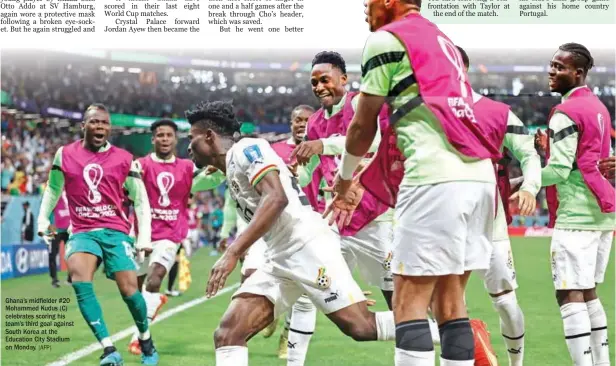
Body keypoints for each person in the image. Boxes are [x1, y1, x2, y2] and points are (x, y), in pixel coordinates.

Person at [331, 2, 502, 365]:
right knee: (450, 302)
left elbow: (362, 126)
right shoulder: (442, 40)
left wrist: (344, 179)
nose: (364, 5)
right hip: (479, 176)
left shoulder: (387, 39)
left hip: (434, 178)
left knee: (408, 301)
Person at [185, 100, 396, 366]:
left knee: (362, 327)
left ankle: (452, 329)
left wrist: (232, 252)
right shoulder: (231, 169)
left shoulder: (248, 148)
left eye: (190, 138)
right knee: (228, 333)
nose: (188, 146)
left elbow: (277, 199)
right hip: (278, 258)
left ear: (208, 136)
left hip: (306, 246)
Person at [37, 104, 159, 366]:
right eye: (94, 122)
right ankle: (108, 349)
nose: (100, 127)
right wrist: (42, 218)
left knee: (129, 290)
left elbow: (140, 200)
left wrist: (143, 237)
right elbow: (53, 189)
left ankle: (146, 339)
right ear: (84, 126)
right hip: (82, 231)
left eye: (104, 123)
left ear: (109, 128)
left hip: (115, 231)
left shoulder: (125, 159)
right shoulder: (65, 154)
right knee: (80, 278)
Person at [456, 46, 542, 366]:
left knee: (505, 303)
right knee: (450, 305)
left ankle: (515, 364)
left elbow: (530, 155)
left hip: (490, 224)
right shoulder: (426, 113)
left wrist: (530, 186)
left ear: (461, 69)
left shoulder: (498, 112)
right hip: (445, 224)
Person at [534, 43, 614, 366]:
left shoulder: (565, 113)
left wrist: (526, 180)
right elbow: (595, 160)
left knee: (569, 295)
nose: (552, 72)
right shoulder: (599, 107)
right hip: (603, 212)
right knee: (589, 293)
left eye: (560, 67)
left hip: (576, 214)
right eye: (551, 65)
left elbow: (558, 170)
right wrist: (548, 151)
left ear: (578, 73)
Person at [128, 119, 226, 355]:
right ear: (153, 139)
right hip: (142, 234)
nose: (164, 139)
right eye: (160, 135)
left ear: (175, 139)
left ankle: (137, 339)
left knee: (155, 279)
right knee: (138, 293)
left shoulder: (187, 167)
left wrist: (219, 169)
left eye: (168, 135)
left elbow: (212, 177)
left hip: (171, 234)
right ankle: (148, 321)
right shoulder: (140, 165)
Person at [48, 190, 72, 288]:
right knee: (69, 254)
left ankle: (58, 279)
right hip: (63, 228)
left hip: (61, 228)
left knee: (53, 255)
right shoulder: (66, 191)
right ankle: (60, 279)